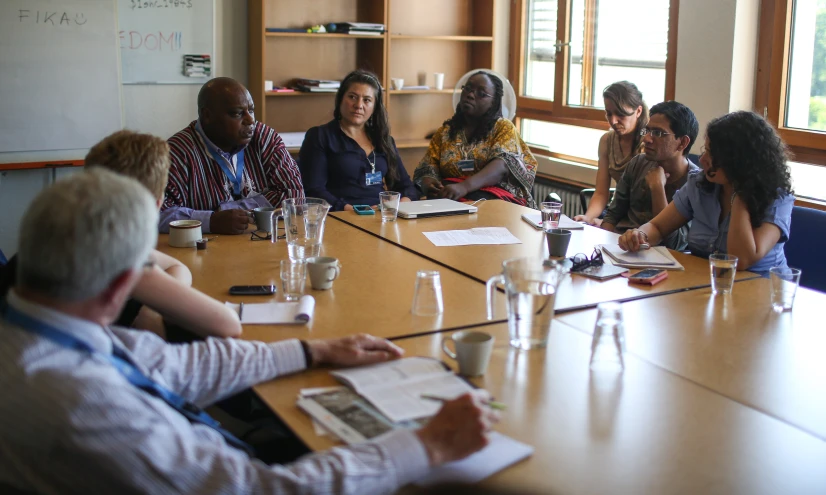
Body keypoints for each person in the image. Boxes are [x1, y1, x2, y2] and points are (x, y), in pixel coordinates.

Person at [0, 169, 501, 494]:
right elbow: (263, 490)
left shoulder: (47, 327)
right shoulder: (80, 405)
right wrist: (426, 446)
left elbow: (175, 365)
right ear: (121, 287)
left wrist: (312, 351)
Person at [0, 130, 241, 339]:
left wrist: (151, 310)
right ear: (156, 204)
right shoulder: (115, 256)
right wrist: (155, 303)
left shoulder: (64, 233)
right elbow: (227, 323)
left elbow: (177, 266)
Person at [619, 111, 794, 274]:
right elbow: (657, 227)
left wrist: (739, 192)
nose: (702, 160)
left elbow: (741, 261)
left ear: (738, 161)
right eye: (705, 150)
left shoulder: (777, 198)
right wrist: (640, 235)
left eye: (711, 154)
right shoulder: (699, 184)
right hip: (706, 283)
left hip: (763, 291)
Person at [161, 77, 304, 235]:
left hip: (261, 242)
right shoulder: (176, 153)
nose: (250, 120)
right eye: (237, 114)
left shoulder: (264, 138)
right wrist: (210, 221)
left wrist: (228, 210)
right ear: (207, 116)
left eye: (251, 110)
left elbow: (293, 195)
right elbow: (155, 214)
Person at [413, 71, 537, 207]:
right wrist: (430, 184)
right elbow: (428, 166)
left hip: (493, 204)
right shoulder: (445, 132)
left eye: (481, 94)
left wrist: (464, 187)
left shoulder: (503, 127)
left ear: (493, 102)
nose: (471, 95)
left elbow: (502, 165)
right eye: (468, 88)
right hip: (449, 200)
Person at [299, 70, 418, 211]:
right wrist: (353, 210)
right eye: (352, 97)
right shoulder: (319, 136)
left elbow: (405, 186)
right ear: (341, 99)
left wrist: (399, 204)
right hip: (340, 215)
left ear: (374, 107)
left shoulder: (384, 140)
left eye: (367, 100)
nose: (359, 105)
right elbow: (314, 189)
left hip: (380, 215)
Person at [600, 101, 700, 251]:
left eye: (658, 133)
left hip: (664, 259)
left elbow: (675, 245)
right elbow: (612, 215)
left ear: (682, 143)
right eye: (647, 131)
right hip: (620, 248)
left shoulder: (696, 183)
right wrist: (603, 249)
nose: (646, 139)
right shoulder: (638, 163)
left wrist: (657, 188)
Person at [575, 81, 648, 226]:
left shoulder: (648, 143)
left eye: (621, 114)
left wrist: (607, 223)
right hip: (616, 214)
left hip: (641, 221)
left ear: (638, 111)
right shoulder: (607, 141)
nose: (613, 121)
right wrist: (588, 217)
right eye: (609, 113)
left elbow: (646, 206)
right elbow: (601, 192)